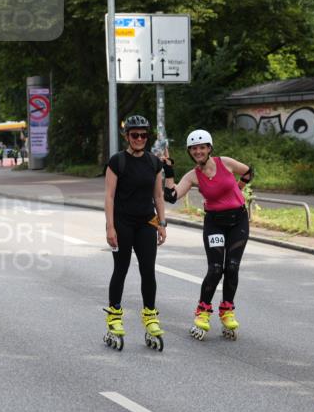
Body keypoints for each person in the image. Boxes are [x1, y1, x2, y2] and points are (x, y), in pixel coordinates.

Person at [163, 129, 253, 340]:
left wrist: (239, 189)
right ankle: (202, 312)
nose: (198, 151)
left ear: (209, 148)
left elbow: (249, 171)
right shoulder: (193, 176)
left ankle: (227, 310)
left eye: (202, 147)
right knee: (215, 268)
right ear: (190, 152)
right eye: (194, 149)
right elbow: (172, 196)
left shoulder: (226, 163)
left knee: (231, 266)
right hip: (214, 223)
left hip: (238, 221)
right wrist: (168, 173)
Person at [104, 115, 167, 351]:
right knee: (120, 269)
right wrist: (110, 227)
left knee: (148, 270)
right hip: (122, 223)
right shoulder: (117, 162)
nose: (139, 139)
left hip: (146, 223)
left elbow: (158, 196)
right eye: (134, 135)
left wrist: (162, 223)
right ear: (127, 137)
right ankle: (114, 317)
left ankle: (150, 317)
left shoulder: (154, 162)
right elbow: (109, 196)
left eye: (143, 135)